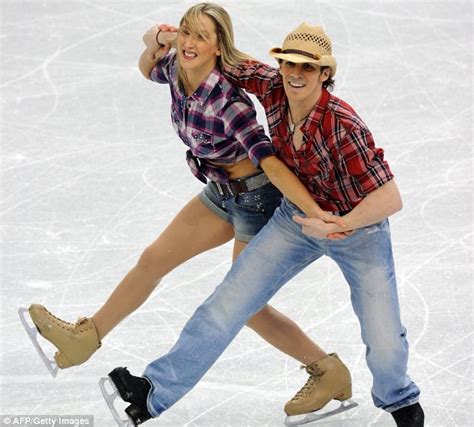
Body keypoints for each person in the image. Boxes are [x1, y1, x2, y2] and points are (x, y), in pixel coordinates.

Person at [21, 1, 350, 416]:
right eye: (187, 32)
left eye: (202, 37)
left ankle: (327, 370)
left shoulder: (229, 103)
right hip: (220, 192)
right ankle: (85, 338)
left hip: (257, 197)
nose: (191, 43)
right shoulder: (177, 66)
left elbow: (271, 163)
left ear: (219, 47)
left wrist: (315, 212)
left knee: (245, 306)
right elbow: (146, 66)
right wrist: (159, 40)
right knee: (153, 259)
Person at [101, 21, 425, 427]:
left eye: (307, 67)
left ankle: (400, 402)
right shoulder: (272, 85)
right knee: (229, 301)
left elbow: (390, 198)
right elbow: (218, 54)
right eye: (289, 63)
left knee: (382, 333)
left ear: (326, 73)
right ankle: (154, 392)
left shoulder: (343, 125)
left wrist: (341, 222)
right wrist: (170, 37)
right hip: (295, 220)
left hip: (358, 231)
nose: (295, 73)